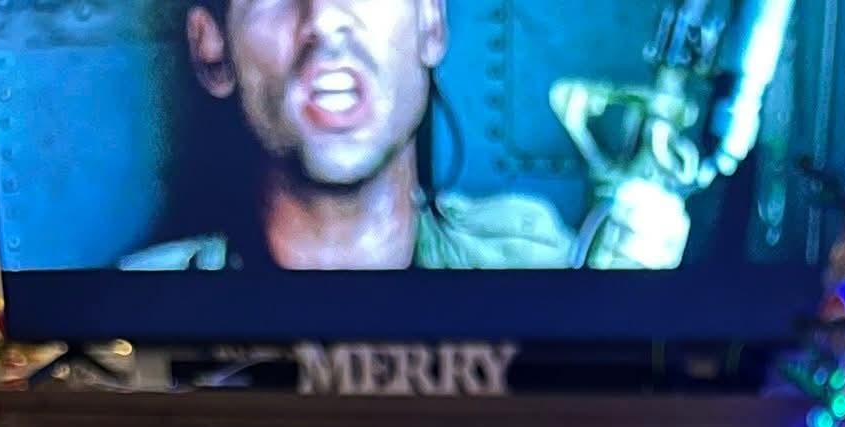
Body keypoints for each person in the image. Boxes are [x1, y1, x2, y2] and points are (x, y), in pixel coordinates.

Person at [122, 0, 574, 271]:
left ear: (430, 22)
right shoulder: (132, 320)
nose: (324, 20)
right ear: (211, 48)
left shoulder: (540, 265)